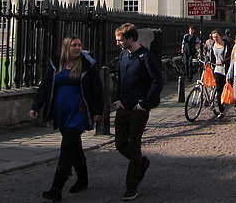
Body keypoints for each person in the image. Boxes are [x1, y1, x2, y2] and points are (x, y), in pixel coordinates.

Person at [30, 36, 103, 201]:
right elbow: (45, 87)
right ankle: (83, 179)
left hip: (78, 112)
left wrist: (98, 110)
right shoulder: (56, 64)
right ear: (66, 48)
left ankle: (56, 188)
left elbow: (97, 89)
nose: (77, 48)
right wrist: (36, 106)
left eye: (79, 45)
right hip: (60, 112)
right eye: (74, 45)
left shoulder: (87, 65)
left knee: (67, 146)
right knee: (75, 145)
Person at [114, 23, 164, 201]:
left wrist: (144, 103)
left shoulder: (145, 56)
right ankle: (142, 163)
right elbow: (120, 78)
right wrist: (117, 98)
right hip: (124, 106)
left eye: (120, 40)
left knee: (134, 145)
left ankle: (131, 185)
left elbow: (158, 81)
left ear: (130, 38)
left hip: (138, 108)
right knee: (120, 143)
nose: (118, 43)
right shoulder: (123, 55)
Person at [206, 29, 231, 119]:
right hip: (218, 70)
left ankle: (235, 103)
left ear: (220, 36)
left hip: (227, 69)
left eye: (216, 37)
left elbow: (231, 56)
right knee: (219, 90)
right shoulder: (213, 45)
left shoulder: (227, 44)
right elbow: (212, 57)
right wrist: (210, 62)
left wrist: (223, 62)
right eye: (213, 37)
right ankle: (221, 112)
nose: (215, 39)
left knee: (229, 88)